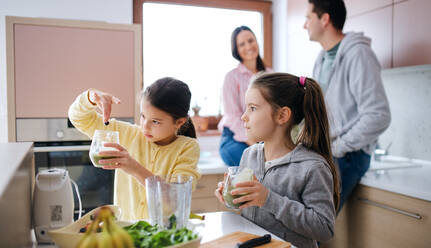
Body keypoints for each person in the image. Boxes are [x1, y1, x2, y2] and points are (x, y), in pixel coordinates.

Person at [215, 73, 339, 247]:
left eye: (252, 108)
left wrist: (269, 199)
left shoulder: (312, 167)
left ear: (282, 115)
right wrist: (232, 197)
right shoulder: (249, 155)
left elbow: (324, 229)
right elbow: (249, 210)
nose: (244, 116)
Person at [68, 77, 201, 221]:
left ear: (179, 122)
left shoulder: (187, 147)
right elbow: (78, 118)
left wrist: (134, 168)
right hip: (126, 233)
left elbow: (175, 200)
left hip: (164, 237)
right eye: (143, 116)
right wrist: (91, 97)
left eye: (155, 122)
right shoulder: (128, 133)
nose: (145, 126)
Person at [304, 0, 391, 210]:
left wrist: (339, 147)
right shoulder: (322, 58)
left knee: (310, 222)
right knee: (298, 216)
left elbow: (378, 115)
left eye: (308, 17)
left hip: (349, 156)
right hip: (328, 151)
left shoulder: (358, 54)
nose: (304, 24)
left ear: (324, 19)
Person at [218, 25, 272, 166]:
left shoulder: (271, 75)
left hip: (262, 135)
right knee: (255, 166)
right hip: (235, 137)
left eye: (250, 40)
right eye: (242, 44)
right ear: (236, 50)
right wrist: (257, 144)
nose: (248, 46)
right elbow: (233, 116)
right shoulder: (231, 77)